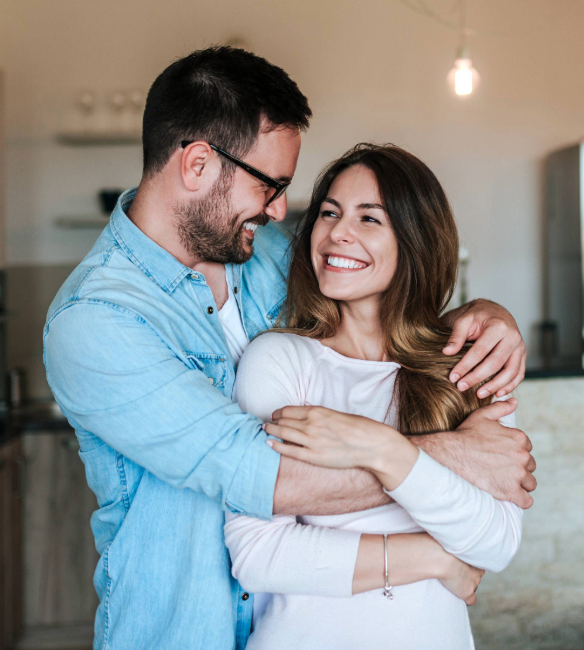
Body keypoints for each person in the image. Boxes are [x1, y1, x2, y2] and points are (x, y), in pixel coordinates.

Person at [43, 47, 535, 650]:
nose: (280, 210)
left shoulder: (266, 253)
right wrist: (454, 457)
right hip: (183, 631)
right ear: (198, 165)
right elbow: (261, 476)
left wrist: (483, 317)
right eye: (270, 184)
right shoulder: (96, 321)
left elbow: (380, 299)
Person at [224, 144, 522, 650]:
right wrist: (436, 559)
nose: (338, 232)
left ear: (416, 241)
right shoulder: (279, 360)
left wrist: (382, 448)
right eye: (329, 213)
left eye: (369, 219)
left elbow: (496, 542)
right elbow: (258, 555)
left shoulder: (465, 366)